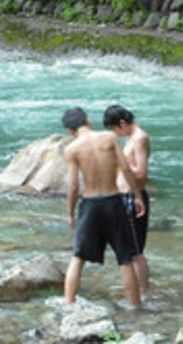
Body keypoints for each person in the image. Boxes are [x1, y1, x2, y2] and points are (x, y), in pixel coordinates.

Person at [62, 107, 145, 307]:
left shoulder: (71, 149)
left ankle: (68, 304)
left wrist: (71, 213)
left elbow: (73, 186)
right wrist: (137, 196)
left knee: (77, 257)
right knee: (125, 260)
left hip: (90, 205)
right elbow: (125, 168)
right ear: (88, 121)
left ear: (70, 131)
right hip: (113, 202)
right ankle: (136, 307)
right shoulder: (109, 137)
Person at [103, 104, 151, 294]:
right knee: (127, 251)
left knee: (136, 253)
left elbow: (141, 173)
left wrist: (119, 161)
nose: (115, 133)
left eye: (114, 128)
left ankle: (143, 293)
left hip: (133, 199)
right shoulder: (131, 138)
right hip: (123, 198)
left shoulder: (140, 138)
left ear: (122, 123)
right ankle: (135, 289)